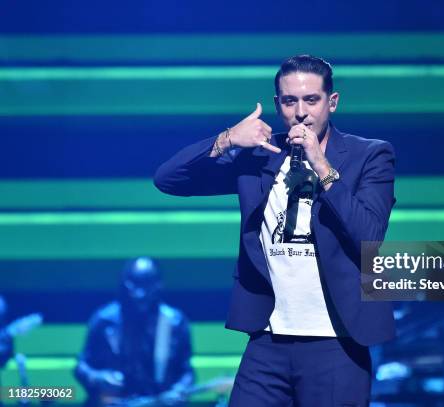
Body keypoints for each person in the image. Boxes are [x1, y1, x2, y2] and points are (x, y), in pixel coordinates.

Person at [155, 54, 396, 406]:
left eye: (311, 100)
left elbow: (369, 235)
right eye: (289, 101)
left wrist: (322, 166)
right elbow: (168, 180)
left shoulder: (369, 155)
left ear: (332, 102)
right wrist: (227, 139)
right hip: (268, 338)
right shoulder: (261, 156)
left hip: (336, 342)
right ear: (277, 104)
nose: (301, 112)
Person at [74, 257, 194, 406]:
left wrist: (180, 389)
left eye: (147, 286)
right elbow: (81, 367)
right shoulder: (104, 320)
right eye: (134, 286)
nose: (140, 294)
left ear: (158, 285)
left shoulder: (174, 322)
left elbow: (186, 371)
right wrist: (98, 378)